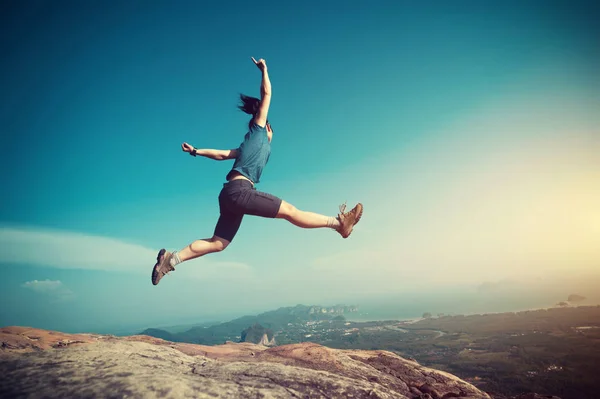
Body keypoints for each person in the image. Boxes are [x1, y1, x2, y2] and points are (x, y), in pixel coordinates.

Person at [151, 57, 363, 285]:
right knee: (290, 211)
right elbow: (267, 95)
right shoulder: (258, 130)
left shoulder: (245, 148)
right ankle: (339, 223)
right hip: (240, 191)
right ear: (266, 125)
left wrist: (196, 151)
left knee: (218, 242)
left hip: (230, 195)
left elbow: (221, 155)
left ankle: (170, 261)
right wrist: (264, 70)